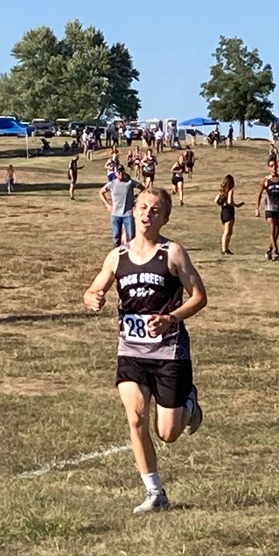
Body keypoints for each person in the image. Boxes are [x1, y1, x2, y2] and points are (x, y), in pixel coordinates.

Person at [83, 187, 207, 514]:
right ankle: (155, 493)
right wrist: (92, 297)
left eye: (155, 210)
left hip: (169, 353)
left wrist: (171, 318)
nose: (146, 214)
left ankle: (188, 400)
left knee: (168, 433)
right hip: (131, 352)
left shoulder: (172, 253)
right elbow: (94, 288)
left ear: (165, 217)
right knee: (136, 418)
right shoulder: (117, 256)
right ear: (133, 212)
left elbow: (199, 297)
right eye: (142, 208)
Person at [256, 157, 279, 260]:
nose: (274, 168)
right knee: (272, 230)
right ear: (269, 168)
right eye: (271, 166)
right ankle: (276, 251)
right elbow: (259, 195)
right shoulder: (265, 180)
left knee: (276, 232)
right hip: (269, 208)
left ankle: (269, 249)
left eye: (275, 165)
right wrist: (257, 208)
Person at [100, 164, 142, 246]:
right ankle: (117, 252)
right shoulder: (112, 184)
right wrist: (107, 204)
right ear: (115, 173)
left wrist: (136, 199)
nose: (120, 174)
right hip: (115, 214)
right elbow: (101, 192)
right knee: (116, 237)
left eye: (122, 172)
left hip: (128, 214)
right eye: (118, 172)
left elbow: (143, 189)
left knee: (131, 237)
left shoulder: (130, 182)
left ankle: (130, 252)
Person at [214, 173, 243, 255]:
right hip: (229, 212)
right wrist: (237, 205)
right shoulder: (230, 191)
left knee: (226, 232)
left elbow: (215, 201)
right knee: (227, 232)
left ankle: (226, 248)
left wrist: (222, 204)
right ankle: (224, 249)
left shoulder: (221, 191)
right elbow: (230, 201)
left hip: (223, 212)